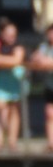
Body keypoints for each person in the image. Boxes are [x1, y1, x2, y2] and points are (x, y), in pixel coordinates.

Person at [0, 20, 25, 151]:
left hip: (14, 82)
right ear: (2, 34)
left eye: (13, 35)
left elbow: (17, 60)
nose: (11, 38)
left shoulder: (19, 45)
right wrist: (8, 61)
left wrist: (0, 60)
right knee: (1, 110)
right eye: (8, 34)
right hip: (0, 82)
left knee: (14, 112)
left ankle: (12, 141)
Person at [29, 23, 53, 153]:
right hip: (50, 86)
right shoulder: (44, 47)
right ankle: (51, 143)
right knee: (49, 114)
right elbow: (34, 59)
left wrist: (47, 62)